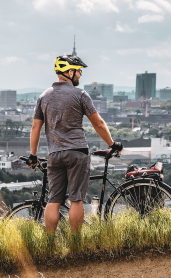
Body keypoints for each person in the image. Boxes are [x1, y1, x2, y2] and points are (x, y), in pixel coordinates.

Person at [27, 54, 122, 246]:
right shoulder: (80, 95)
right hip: (77, 152)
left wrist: (33, 155)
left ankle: (49, 244)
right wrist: (112, 144)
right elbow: (98, 123)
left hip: (54, 154)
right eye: (79, 71)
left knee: (53, 200)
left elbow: (35, 128)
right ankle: (76, 243)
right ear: (69, 72)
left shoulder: (43, 96)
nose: (80, 75)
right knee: (77, 199)